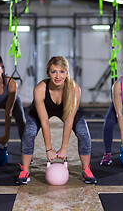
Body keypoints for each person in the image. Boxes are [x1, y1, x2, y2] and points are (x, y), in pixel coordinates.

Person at [15, 56, 97, 185]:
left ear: (67, 73)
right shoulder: (40, 89)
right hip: (41, 112)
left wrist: (64, 148)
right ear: (48, 73)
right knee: (29, 133)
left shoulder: (74, 89)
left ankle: (86, 170)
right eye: (54, 72)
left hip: (66, 111)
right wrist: (49, 149)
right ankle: (25, 170)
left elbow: (69, 121)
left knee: (83, 133)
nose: (58, 76)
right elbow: (45, 122)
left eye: (62, 71)